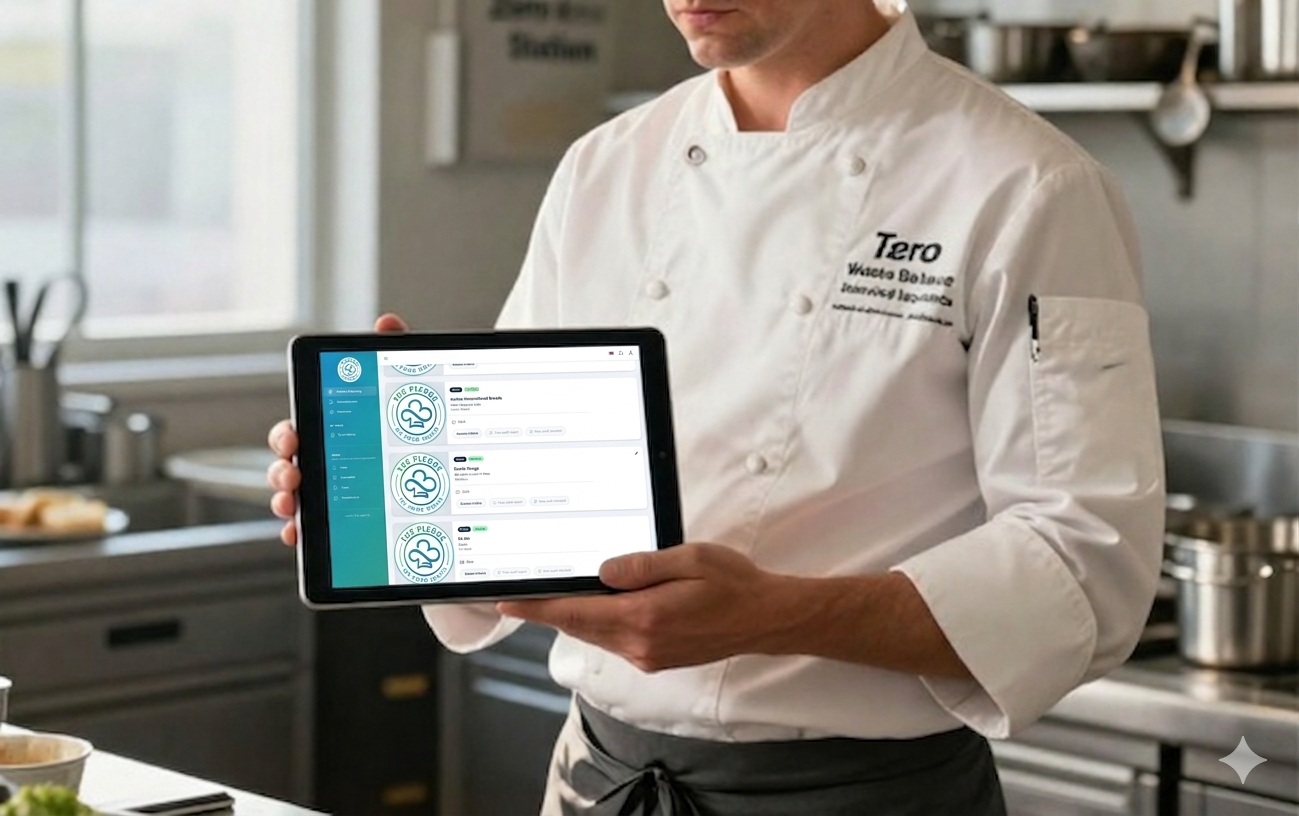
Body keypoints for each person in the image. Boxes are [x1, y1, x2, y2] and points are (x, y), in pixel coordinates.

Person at [268, 0, 1165, 812]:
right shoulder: (606, 167)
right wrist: (408, 479)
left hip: (860, 802)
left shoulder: (1027, 185)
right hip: (600, 781)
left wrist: (776, 614)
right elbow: (525, 500)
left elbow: (1085, 563)